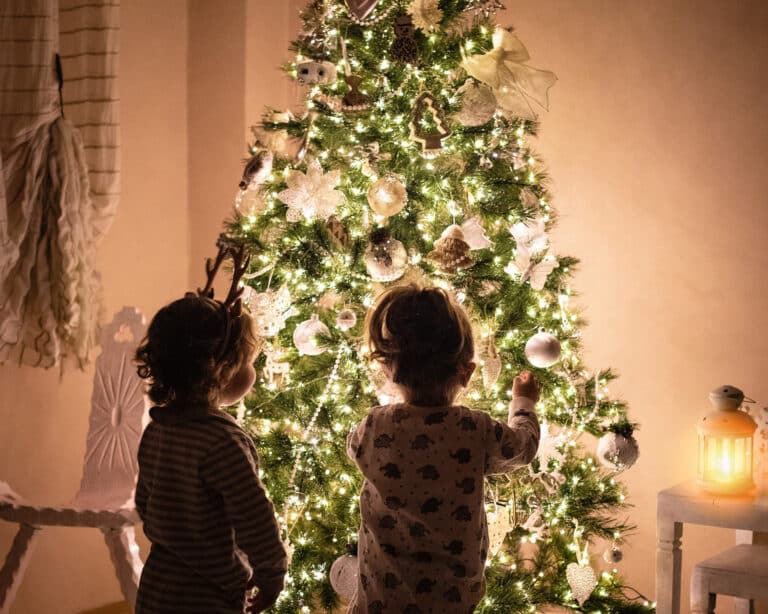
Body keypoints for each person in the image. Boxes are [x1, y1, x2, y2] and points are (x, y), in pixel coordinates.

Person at [347, 285, 540, 613]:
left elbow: (354, 450)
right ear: (466, 372)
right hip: (449, 602)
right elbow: (522, 448)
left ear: (387, 367)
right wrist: (523, 402)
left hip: (380, 601)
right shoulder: (475, 430)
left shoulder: (373, 426)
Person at [134, 286, 287, 613]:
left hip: (157, 584)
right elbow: (254, 516)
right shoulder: (222, 443)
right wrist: (272, 573)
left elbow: (145, 503)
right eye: (248, 361)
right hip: (209, 595)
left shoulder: (157, 430)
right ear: (221, 368)